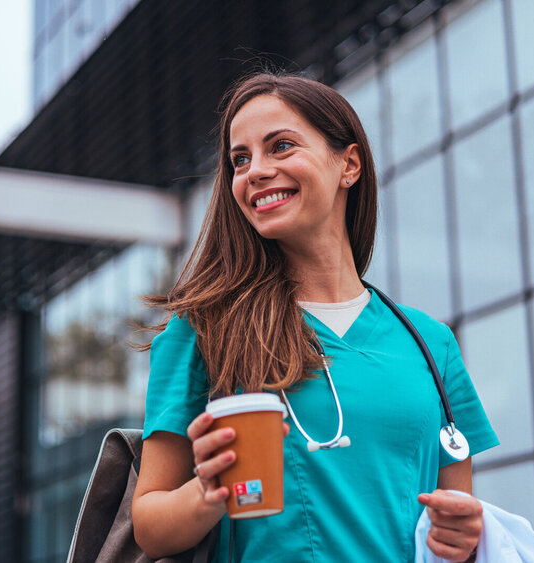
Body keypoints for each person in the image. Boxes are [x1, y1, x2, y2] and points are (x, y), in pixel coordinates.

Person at [131, 73, 499, 562]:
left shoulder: (432, 345)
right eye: (240, 159)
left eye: (280, 146)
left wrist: (468, 540)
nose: (254, 171)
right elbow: (150, 527)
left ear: (349, 165)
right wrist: (208, 490)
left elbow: (455, 522)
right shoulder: (202, 332)